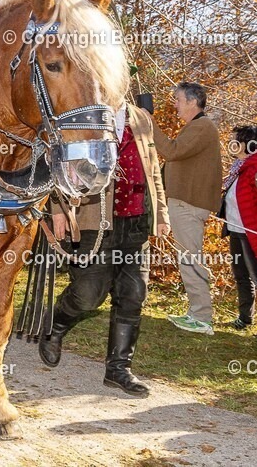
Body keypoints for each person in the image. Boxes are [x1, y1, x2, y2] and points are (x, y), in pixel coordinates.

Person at [42, 100, 170, 396]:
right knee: (89, 294)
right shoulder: (82, 111)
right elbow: (57, 162)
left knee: (134, 293)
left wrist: (161, 214)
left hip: (137, 219)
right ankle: (56, 326)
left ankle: (118, 369)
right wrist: (57, 209)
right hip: (94, 218)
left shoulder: (141, 118)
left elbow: (152, 170)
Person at [148, 82, 222, 334]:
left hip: (189, 205)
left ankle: (202, 317)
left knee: (191, 259)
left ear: (193, 101)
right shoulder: (197, 126)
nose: (175, 105)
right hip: (184, 203)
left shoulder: (202, 126)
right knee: (188, 258)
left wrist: (149, 124)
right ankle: (196, 313)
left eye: (178, 99)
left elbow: (171, 151)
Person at [221, 125, 257, 341]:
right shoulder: (239, 166)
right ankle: (245, 317)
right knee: (241, 276)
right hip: (236, 228)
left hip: (252, 231)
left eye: (235, 139)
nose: (231, 143)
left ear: (246, 143)